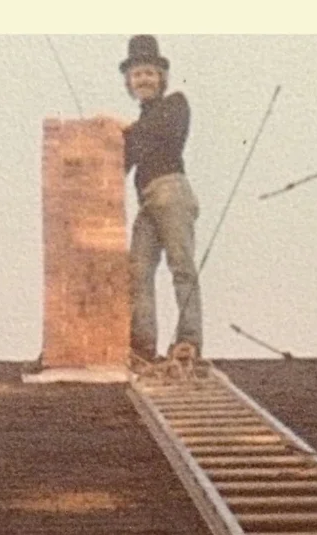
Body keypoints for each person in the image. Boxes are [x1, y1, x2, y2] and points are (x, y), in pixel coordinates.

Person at [120, 35, 202, 362]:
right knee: (138, 270)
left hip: (171, 192)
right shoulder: (138, 124)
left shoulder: (175, 105)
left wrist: (119, 131)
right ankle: (142, 346)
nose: (143, 79)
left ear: (162, 78)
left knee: (181, 266)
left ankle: (189, 342)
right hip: (147, 201)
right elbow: (122, 161)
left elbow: (151, 133)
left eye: (149, 73)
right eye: (137, 74)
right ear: (129, 81)